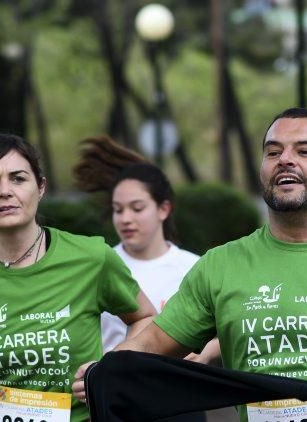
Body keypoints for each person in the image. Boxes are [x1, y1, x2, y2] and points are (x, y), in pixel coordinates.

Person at [74, 108, 307, 422]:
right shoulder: (221, 266)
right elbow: (152, 343)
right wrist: (101, 373)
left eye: (305, 151)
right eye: (273, 151)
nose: (285, 159)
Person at [0, 133, 156, 421]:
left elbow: (145, 318)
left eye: (18, 178)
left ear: (41, 187)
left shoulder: (91, 257)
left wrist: (111, 368)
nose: (5, 191)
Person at [74, 136, 212, 422]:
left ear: (164, 209)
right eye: (117, 209)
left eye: (137, 209)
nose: (125, 219)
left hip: (178, 403)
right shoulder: (97, 264)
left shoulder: (194, 267)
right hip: (114, 403)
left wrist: (205, 355)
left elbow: (226, 327)